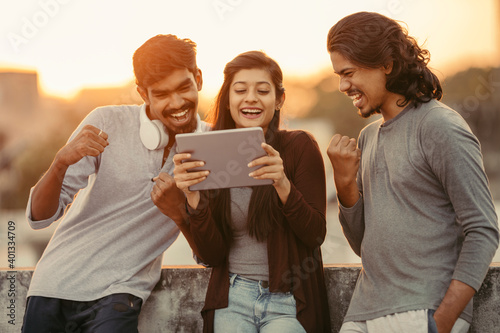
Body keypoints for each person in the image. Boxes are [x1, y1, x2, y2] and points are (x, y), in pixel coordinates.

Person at [21, 34, 210, 333]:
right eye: (161, 94)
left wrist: (178, 212)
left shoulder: (212, 148)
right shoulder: (105, 122)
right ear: (143, 94)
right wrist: (59, 163)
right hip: (53, 284)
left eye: (183, 88)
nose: (176, 103)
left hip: (121, 293)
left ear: (198, 78)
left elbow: (210, 253)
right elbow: (40, 218)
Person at [325, 11, 499, 333]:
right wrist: (345, 183)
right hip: (361, 313)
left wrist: (441, 322)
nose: (342, 85)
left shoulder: (439, 126)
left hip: (421, 312)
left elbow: (484, 229)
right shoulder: (367, 137)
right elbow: (365, 245)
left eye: (348, 73)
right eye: (338, 75)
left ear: (386, 65)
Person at [172, 51, 331, 332]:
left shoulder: (299, 147)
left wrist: (283, 185)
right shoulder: (210, 154)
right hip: (233, 297)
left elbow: (315, 234)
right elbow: (211, 255)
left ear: (279, 99)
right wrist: (194, 199)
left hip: (288, 299)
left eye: (263, 90)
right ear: (228, 99)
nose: (251, 98)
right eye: (240, 90)